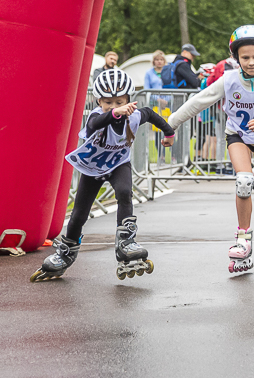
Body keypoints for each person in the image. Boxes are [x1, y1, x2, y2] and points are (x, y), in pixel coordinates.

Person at [168, 26, 254, 273]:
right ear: (236, 58)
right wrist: (170, 125)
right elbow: (198, 102)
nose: (251, 62)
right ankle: (243, 239)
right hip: (238, 135)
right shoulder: (228, 80)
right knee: (243, 180)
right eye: (245, 57)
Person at [31, 70, 175, 282]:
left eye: (120, 101)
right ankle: (66, 252)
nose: (114, 105)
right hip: (93, 169)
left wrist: (169, 133)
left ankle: (126, 242)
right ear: (99, 101)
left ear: (128, 99)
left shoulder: (135, 115)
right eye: (108, 102)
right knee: (80, 213)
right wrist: (116, 113)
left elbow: (152, 115)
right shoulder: (96, 115)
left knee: (125, 192)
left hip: (118, 164)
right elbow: (95, 125)